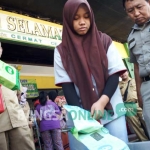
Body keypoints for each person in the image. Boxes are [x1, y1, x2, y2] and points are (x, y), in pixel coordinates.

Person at [54, 0, 128, 145]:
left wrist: (102, 102)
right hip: (81, 115)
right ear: (68, 20)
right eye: (76, 18)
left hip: (111, 110)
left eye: (86, 17)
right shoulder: (61, 51)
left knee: (120, 146)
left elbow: (114, 74)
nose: (82, 22)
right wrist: (83, 118)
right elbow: (67, 87)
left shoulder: (105, 41)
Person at [123, 0, 150, 138]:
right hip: (146, 88)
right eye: (130, 10)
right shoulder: (131, 37)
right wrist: (140, 95)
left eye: (140, 7)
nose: (136, 13)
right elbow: (136, 66)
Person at [0, 43, 35, 150]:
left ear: (1, 50)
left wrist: (26, 118)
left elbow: (21, 97)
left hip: (18, 120)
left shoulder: (10, 70)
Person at [119, 71, 148, 141]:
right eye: (121, 74)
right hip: (128, 106)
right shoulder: (118, 85)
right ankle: (144, 141)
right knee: (136, 126)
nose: (123, 74)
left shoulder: (135, 81)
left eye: (124, 72)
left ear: (128, 72)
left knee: (147, 121)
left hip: (138, 103)